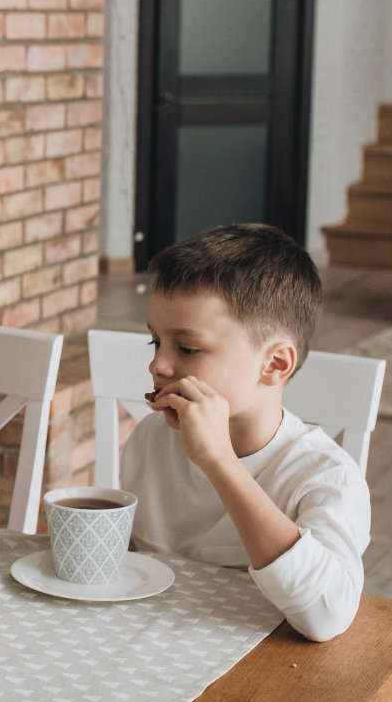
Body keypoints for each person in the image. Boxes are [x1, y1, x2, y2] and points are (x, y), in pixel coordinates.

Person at [126, 223, 367, 642]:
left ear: (275, 364)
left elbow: (328, 617)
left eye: (186, 348)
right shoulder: (151, 439)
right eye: (155, 342)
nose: (158, 365)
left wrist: (219, 462)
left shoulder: (324, 476)